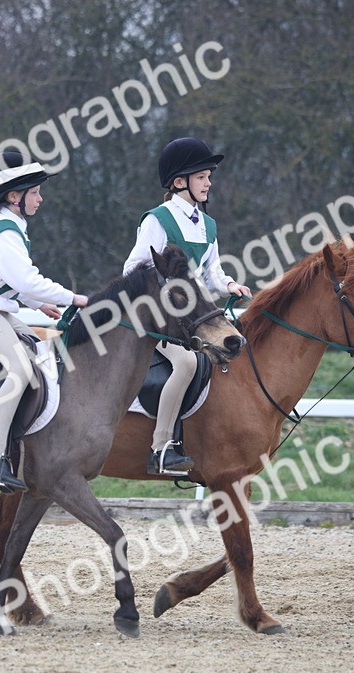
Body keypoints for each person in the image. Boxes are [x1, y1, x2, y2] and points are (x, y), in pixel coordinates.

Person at [0, 150, 89, 492]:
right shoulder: (4, 231)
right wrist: (70, 298)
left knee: (39, 352)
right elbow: (27, 280)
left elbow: (12, 282)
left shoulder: (11, 226)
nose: (41, 199)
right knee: (19, 369)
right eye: (35, 193)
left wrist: (38, 304)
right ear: (14, 197)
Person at [122, 137, 251, 476]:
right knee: (185, 363)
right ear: (180, 182)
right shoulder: (158, 219)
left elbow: (212, 274)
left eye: (209, 176)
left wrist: (229, 285)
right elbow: (133, 269)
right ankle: (161, 448)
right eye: (202, 176)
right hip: (158, 315)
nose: (208, 182)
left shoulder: (208, 225)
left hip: (192, 316)